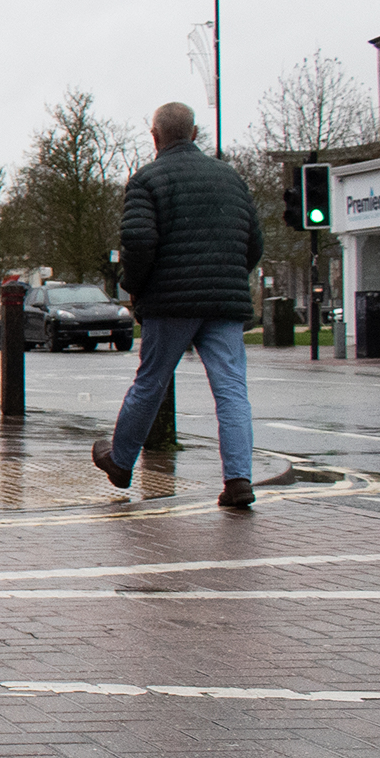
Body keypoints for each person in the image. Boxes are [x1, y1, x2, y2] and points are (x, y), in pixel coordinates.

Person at [93, 101, 262, 509]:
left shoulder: (147, 180)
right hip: (223, 302)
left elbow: (139, 242)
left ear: (155, 137)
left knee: (151, 381)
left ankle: (121, 461)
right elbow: (254, 243)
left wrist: (135, 287)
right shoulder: (231, 178)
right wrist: (227, 276)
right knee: (231, 390)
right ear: (196, 133)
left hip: (170, 302)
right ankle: (238, 480)